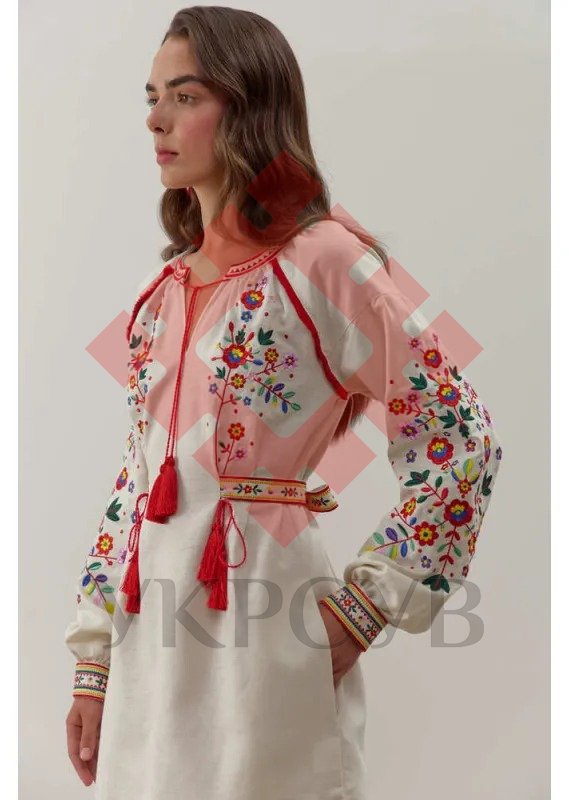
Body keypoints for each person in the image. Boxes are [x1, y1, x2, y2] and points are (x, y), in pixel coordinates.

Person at [64, 6, 504, 799]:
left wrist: (363, 611)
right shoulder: (158, 293)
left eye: (186, 97)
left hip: (267, 633)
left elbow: (458, 440)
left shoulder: (324, 260)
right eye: (152, 97)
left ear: (250, 106)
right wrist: (92, 663)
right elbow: (135, 485)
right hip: (145, 648)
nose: (156, 119)